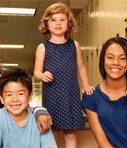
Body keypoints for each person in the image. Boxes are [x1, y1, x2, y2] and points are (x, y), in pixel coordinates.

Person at [33, 2, 94, 148]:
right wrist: (42, 75)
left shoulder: (74, 45)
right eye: (53, 20)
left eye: (62, 19)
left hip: (70, 93)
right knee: (53, 132)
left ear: (69, 23)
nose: (58, 23)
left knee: (71, 133)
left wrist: (85, 85)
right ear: (46, 25)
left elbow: (81, 66)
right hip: (53, 94)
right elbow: (36, 72)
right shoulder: (43, 47)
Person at [0, 68, 57, 148]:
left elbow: (49, 146)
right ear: (1, 98)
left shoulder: (39, 119)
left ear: (30, 96)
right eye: (9, 94)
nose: (15, 99)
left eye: (20, 94)